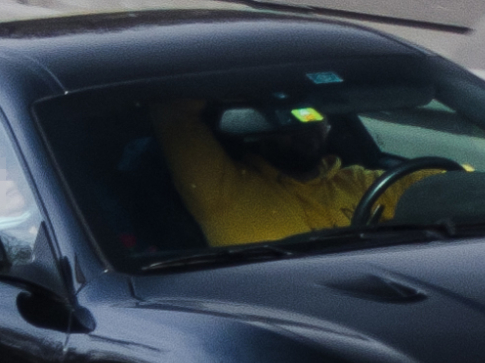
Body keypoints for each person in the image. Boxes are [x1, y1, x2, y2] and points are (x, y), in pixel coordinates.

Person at [155, 96, 427, 249]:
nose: (302, 130)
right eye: (286, 121)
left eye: (310, 118)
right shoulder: (224, 187)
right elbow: (175, 113)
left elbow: (447, 181)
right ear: (261, 132)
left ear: (327, 126)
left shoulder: (358, 180)